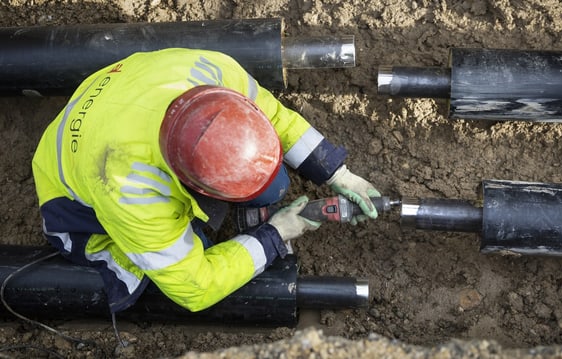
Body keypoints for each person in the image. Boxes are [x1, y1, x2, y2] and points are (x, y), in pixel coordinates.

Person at [31, 48, 381, 313]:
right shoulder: (132, 191)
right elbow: (194, 287)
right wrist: (275, 236)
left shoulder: (216, 72)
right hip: (72, 188)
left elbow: (275, 116)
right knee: (171, 259)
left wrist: (338, 173)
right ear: (193, 187)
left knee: (274, 186)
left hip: (118, 97)